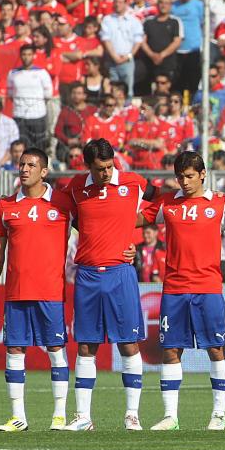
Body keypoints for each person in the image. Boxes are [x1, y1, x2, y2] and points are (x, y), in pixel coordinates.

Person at [139, 151, 225, 431]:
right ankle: (171, 416)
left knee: (216, 349)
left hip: (207, 289)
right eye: (180, 177)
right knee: (171, 351)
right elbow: (132, 221)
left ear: (202, 175)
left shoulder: (221, 204)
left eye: (189, 176)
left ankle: (218, 415)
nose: (184, 182)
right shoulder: (167, 203)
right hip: (174, 290)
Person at [63, 139, 153, 431]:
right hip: (87, 275)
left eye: (110, 166)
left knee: (128, 343)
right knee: (86, 345)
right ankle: (83, 417)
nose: (106, 172)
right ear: (88, 166)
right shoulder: (75, 187)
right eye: (100, 168)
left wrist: (128, 230)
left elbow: (164, 203)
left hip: (120, 274)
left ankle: (132, 415)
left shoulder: (134, 183)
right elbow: (64, 214)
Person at [0, 148, 75, 431]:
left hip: (50, 291)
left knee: (55, 349)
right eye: (22, 164)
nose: (24, 169)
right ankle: (18, 417)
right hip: (15, 291)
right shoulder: (6, 207)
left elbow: (96, 225)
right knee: (14, 349)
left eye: (31, 165)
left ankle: (59, 415)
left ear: (44, 171)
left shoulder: (63, 204)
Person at [6, 43, 52, 152]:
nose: (26, 57)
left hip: (38, 115)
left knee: (39, 147)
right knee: (22, 147)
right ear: (20, 55)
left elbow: (48, 94)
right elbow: (10, 93)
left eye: (29, 54)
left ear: (33, 55)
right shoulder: (13, 73)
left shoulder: (42, 73)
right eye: (24, 54)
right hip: (19, 115)